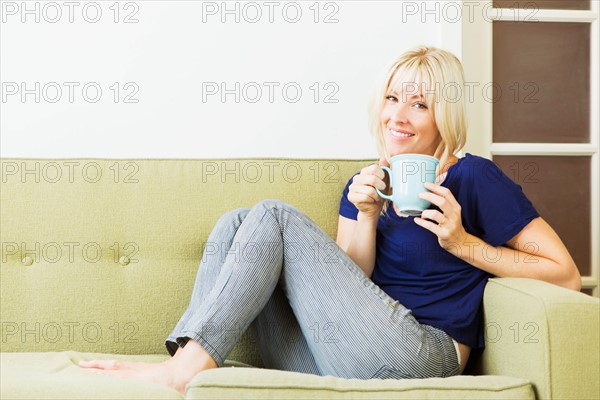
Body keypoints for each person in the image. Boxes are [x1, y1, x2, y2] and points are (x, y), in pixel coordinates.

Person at [78, 46, 581, 394]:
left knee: (273, 215)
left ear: (443, 117)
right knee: (237, 222)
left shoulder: (473, 178)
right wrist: (363, 215)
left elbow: (565, 273)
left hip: (422, 355)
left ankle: (181, 372)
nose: (398, 115)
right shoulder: (363, 184)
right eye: (392, 98)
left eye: (419, 103)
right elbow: (344, 288)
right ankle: (188, 362)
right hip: (347, 355)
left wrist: (464, 243)